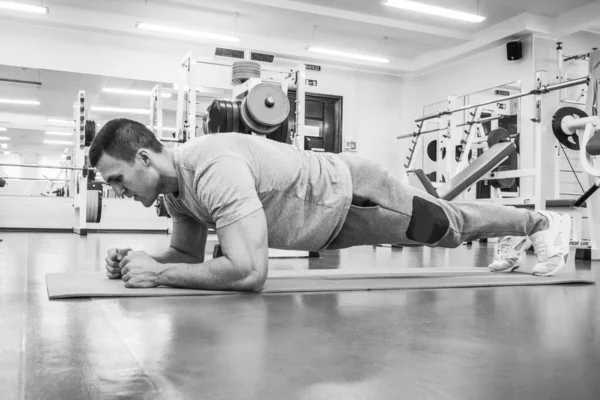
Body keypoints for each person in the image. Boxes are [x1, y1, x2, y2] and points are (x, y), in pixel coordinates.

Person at [89, 118, 571, 292]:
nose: (117, 190)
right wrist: (147, 261)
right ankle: (521, 227)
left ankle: (540, 220)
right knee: (453, 228)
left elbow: (250, 273)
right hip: (326, 223)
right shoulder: (176, 193)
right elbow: (190, 257)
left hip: (354, 195)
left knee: (451, 229)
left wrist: (160, 274)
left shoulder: (212, 167)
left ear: (144, 157)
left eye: (117, 179)